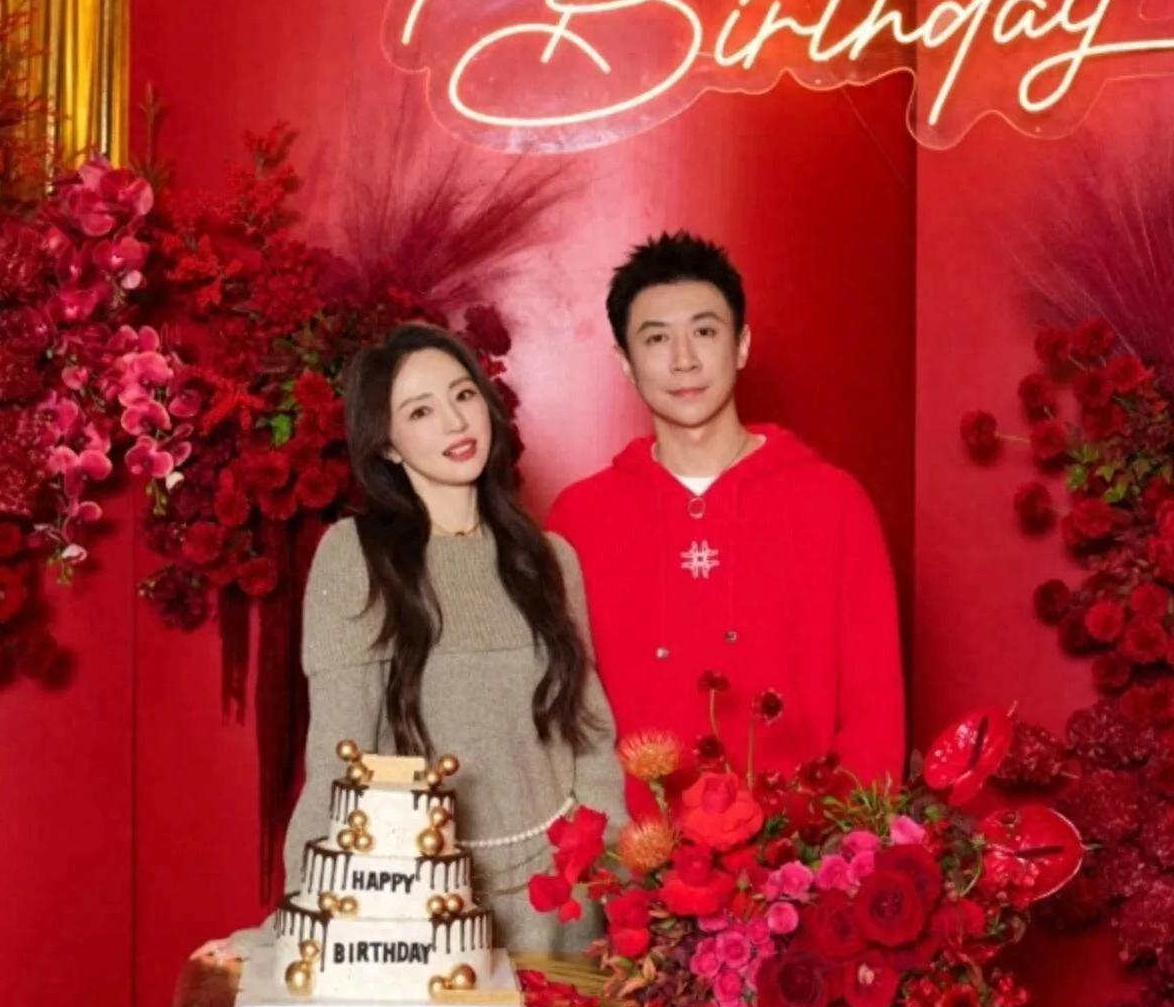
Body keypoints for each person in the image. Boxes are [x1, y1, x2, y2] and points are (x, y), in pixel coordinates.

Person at [210, 323, 624, 961]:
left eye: (464, 395)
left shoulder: (550, 559)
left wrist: (620, 886)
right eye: (421, 412)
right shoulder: (356, 557)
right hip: (422, 913)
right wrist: (297, 920)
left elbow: (590, 740)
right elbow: (339, 760)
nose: (455, 422)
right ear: (387, 445)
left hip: (564, 907)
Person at [546, 231, 905, 810]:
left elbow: (875, 709)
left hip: (807, 850)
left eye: (705, 332)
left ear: (741, 345)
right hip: (633, 854)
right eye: (656, 338)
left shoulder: (834, 502)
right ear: (625, 363)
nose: (683, 359)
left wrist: (850, 845)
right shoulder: (578, 518)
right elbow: (562, 708)